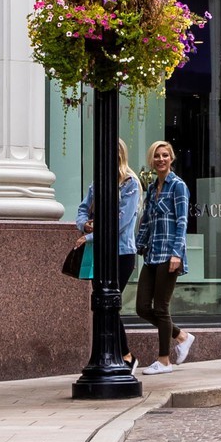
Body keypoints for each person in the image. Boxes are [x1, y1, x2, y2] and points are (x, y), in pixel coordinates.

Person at [76, 141, 141, 370]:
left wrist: (91, 237)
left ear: (120, 155)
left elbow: (121, 223)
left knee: (110, 304)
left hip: (121, 253)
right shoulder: (98, 183)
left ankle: (126, 356)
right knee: (101, 304)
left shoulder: (130, 183)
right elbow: (83, 208)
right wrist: (84, 225)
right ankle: (111, 356)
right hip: (100, 253)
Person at [135, 140, 194, 372]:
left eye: (165, 155)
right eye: (157, 156)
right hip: (152, 254)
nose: (161, 159)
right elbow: (146, 221)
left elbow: (182, 222)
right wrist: (139, 246)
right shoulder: (151, 188)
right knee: (141, 307)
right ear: (152, 160)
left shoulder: (178, 186)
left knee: (161, 308)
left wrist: (177, 253)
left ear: (171, 158)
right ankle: (181, 336)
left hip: (170, 254)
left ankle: (164, 360)